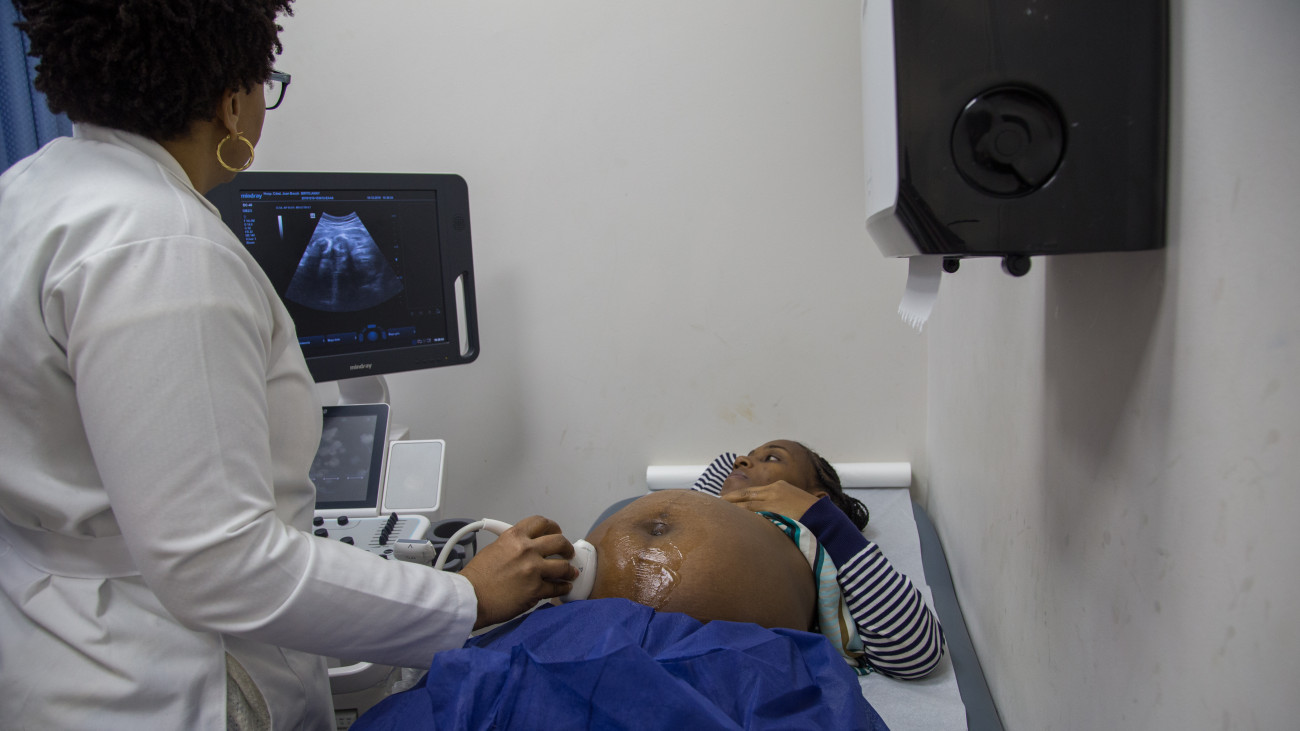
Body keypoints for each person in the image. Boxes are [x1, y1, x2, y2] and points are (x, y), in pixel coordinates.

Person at [0, 3, 574, 728]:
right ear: (230, 99)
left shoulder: (31, 191)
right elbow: (221, 563)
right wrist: (467, 597)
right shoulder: (163, 249)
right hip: (162, 676)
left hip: (57, 644)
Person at [693, 440, 947, 680]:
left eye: (772, 457)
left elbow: (918, 653)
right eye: (746, 457)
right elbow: (724, 464)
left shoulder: (807, 546)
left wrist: (823, 519)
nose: (739, 460)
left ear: (814, 499)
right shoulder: (701, 513)